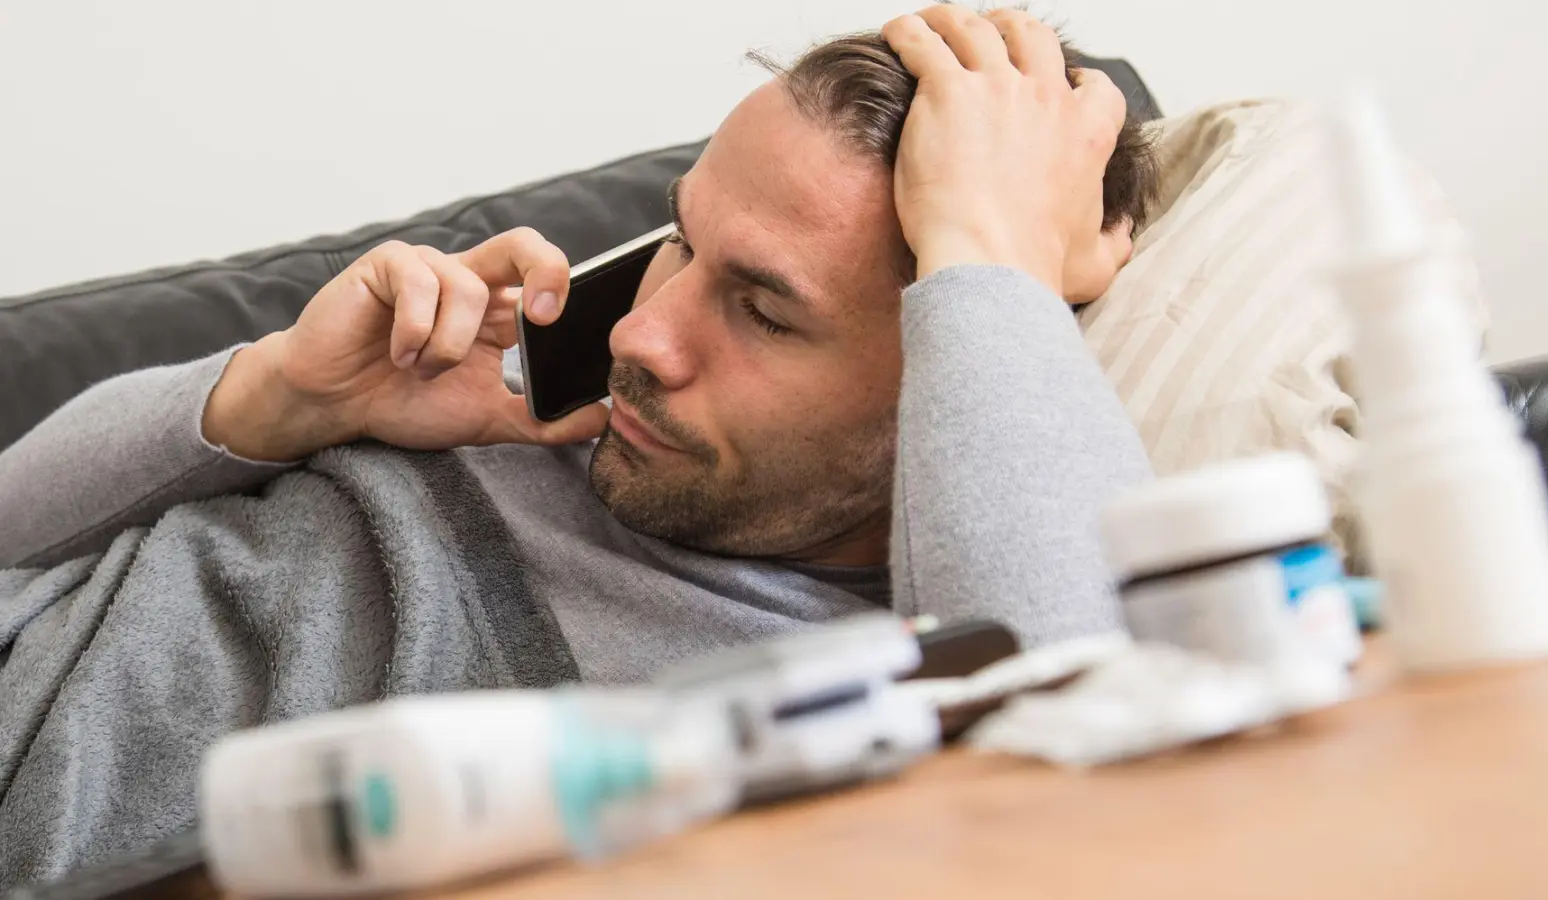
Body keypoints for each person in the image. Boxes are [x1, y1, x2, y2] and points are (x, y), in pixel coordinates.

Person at [0, 5, 1156, 884]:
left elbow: (1078, 780)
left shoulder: (815, 693)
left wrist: (987, 256)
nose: (644, 335)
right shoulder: (508, 403)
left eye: (761, 310)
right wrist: (278, 401)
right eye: (683, 242)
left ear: (958, 363)